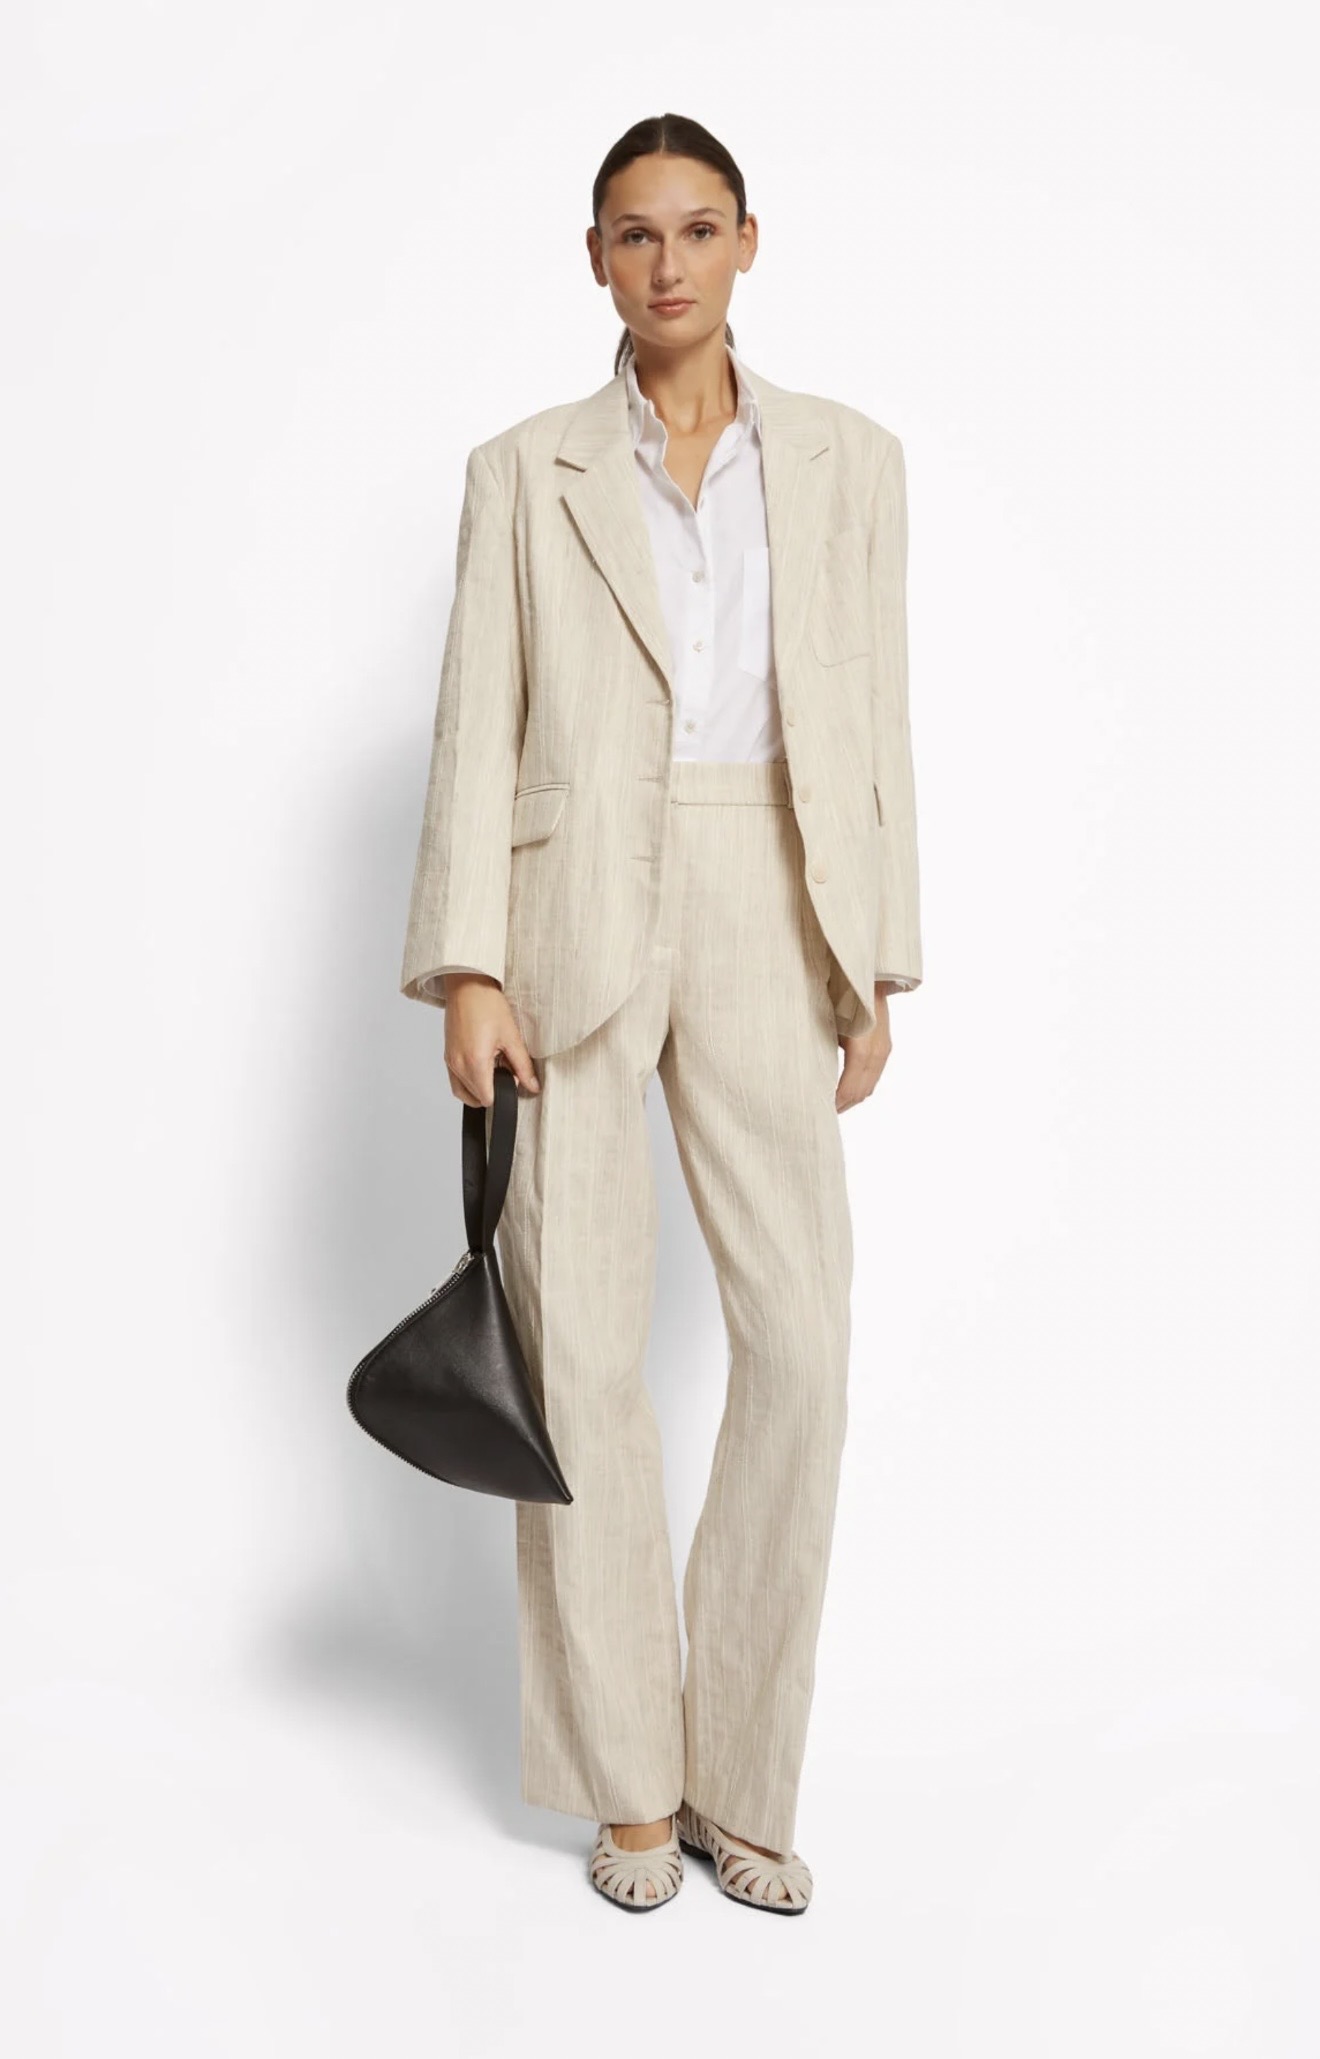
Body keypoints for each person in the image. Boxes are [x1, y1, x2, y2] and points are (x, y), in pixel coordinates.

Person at [400, 111, 922, 1913]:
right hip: (570, 910)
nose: (669, 262)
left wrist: (876, 957)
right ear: (595, 257)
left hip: (773, 885)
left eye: (699, 229)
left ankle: (740, 1777)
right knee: (582, 1354)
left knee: (804, 1345)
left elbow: (875, 717)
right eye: (636, 233)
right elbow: (478, 714)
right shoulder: (523, 469)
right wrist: (469, 962)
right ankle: (630, 1779)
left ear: (749, 242)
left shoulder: (850, 461)